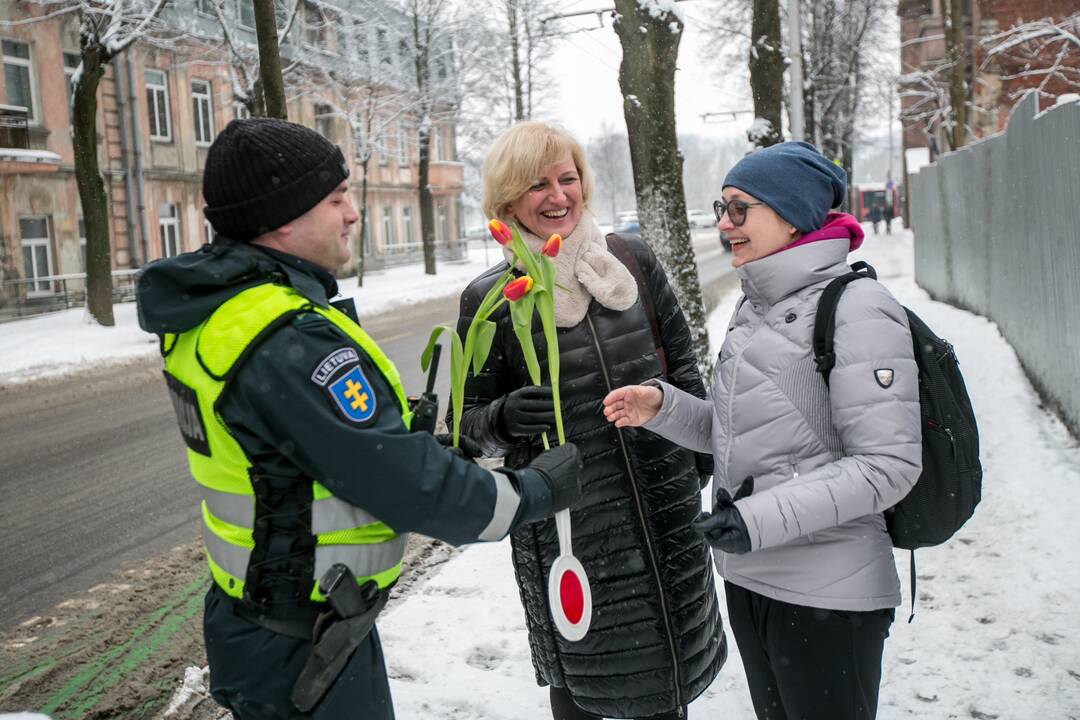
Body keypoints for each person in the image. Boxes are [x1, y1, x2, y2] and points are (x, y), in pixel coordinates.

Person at [135, 117, 583, 720]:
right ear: (283, 217)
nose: (352, 214)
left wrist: (420, 440)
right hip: (304, 641)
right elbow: (409, 487)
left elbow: (309, 461)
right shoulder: (285, 339)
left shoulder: (225, 316)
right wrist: (535, 491)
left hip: (265, 617)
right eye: (337, 199)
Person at [603, 141, 921, 720]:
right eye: (721, 207)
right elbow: (743, 437)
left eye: (740, 208)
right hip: (752, 581)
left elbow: (887, 467)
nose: (724, 223)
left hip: (829, 591)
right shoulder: (757, 309)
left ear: (792, 211)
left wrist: (754, 520)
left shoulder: (859, 308)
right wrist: (664, 407)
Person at [453, 121, 726, 720]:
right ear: (506, 202)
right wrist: (500, 419)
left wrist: (699, 463)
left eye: (567, 178)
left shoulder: (631, 262)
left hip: (662, 512)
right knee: (587, 686)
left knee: (667, 676)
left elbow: (683, 366)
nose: (557, 196)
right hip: (570, 533)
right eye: (536, 185)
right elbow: (462, 430)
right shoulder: (492, 301)